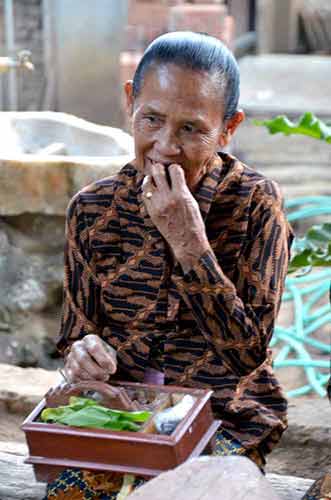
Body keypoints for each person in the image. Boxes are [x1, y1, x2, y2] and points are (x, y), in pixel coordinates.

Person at [44, 31, 294, 499]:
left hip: (224, 416)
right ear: (129, 104)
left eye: (191, 128)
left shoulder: (257, 205)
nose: (164, 145)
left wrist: (190, 244)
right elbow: (76, 333)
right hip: (121, 411)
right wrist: (83, 354)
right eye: (152, 119)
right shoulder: (92, 211)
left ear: (228, 128)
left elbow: (246, 355)